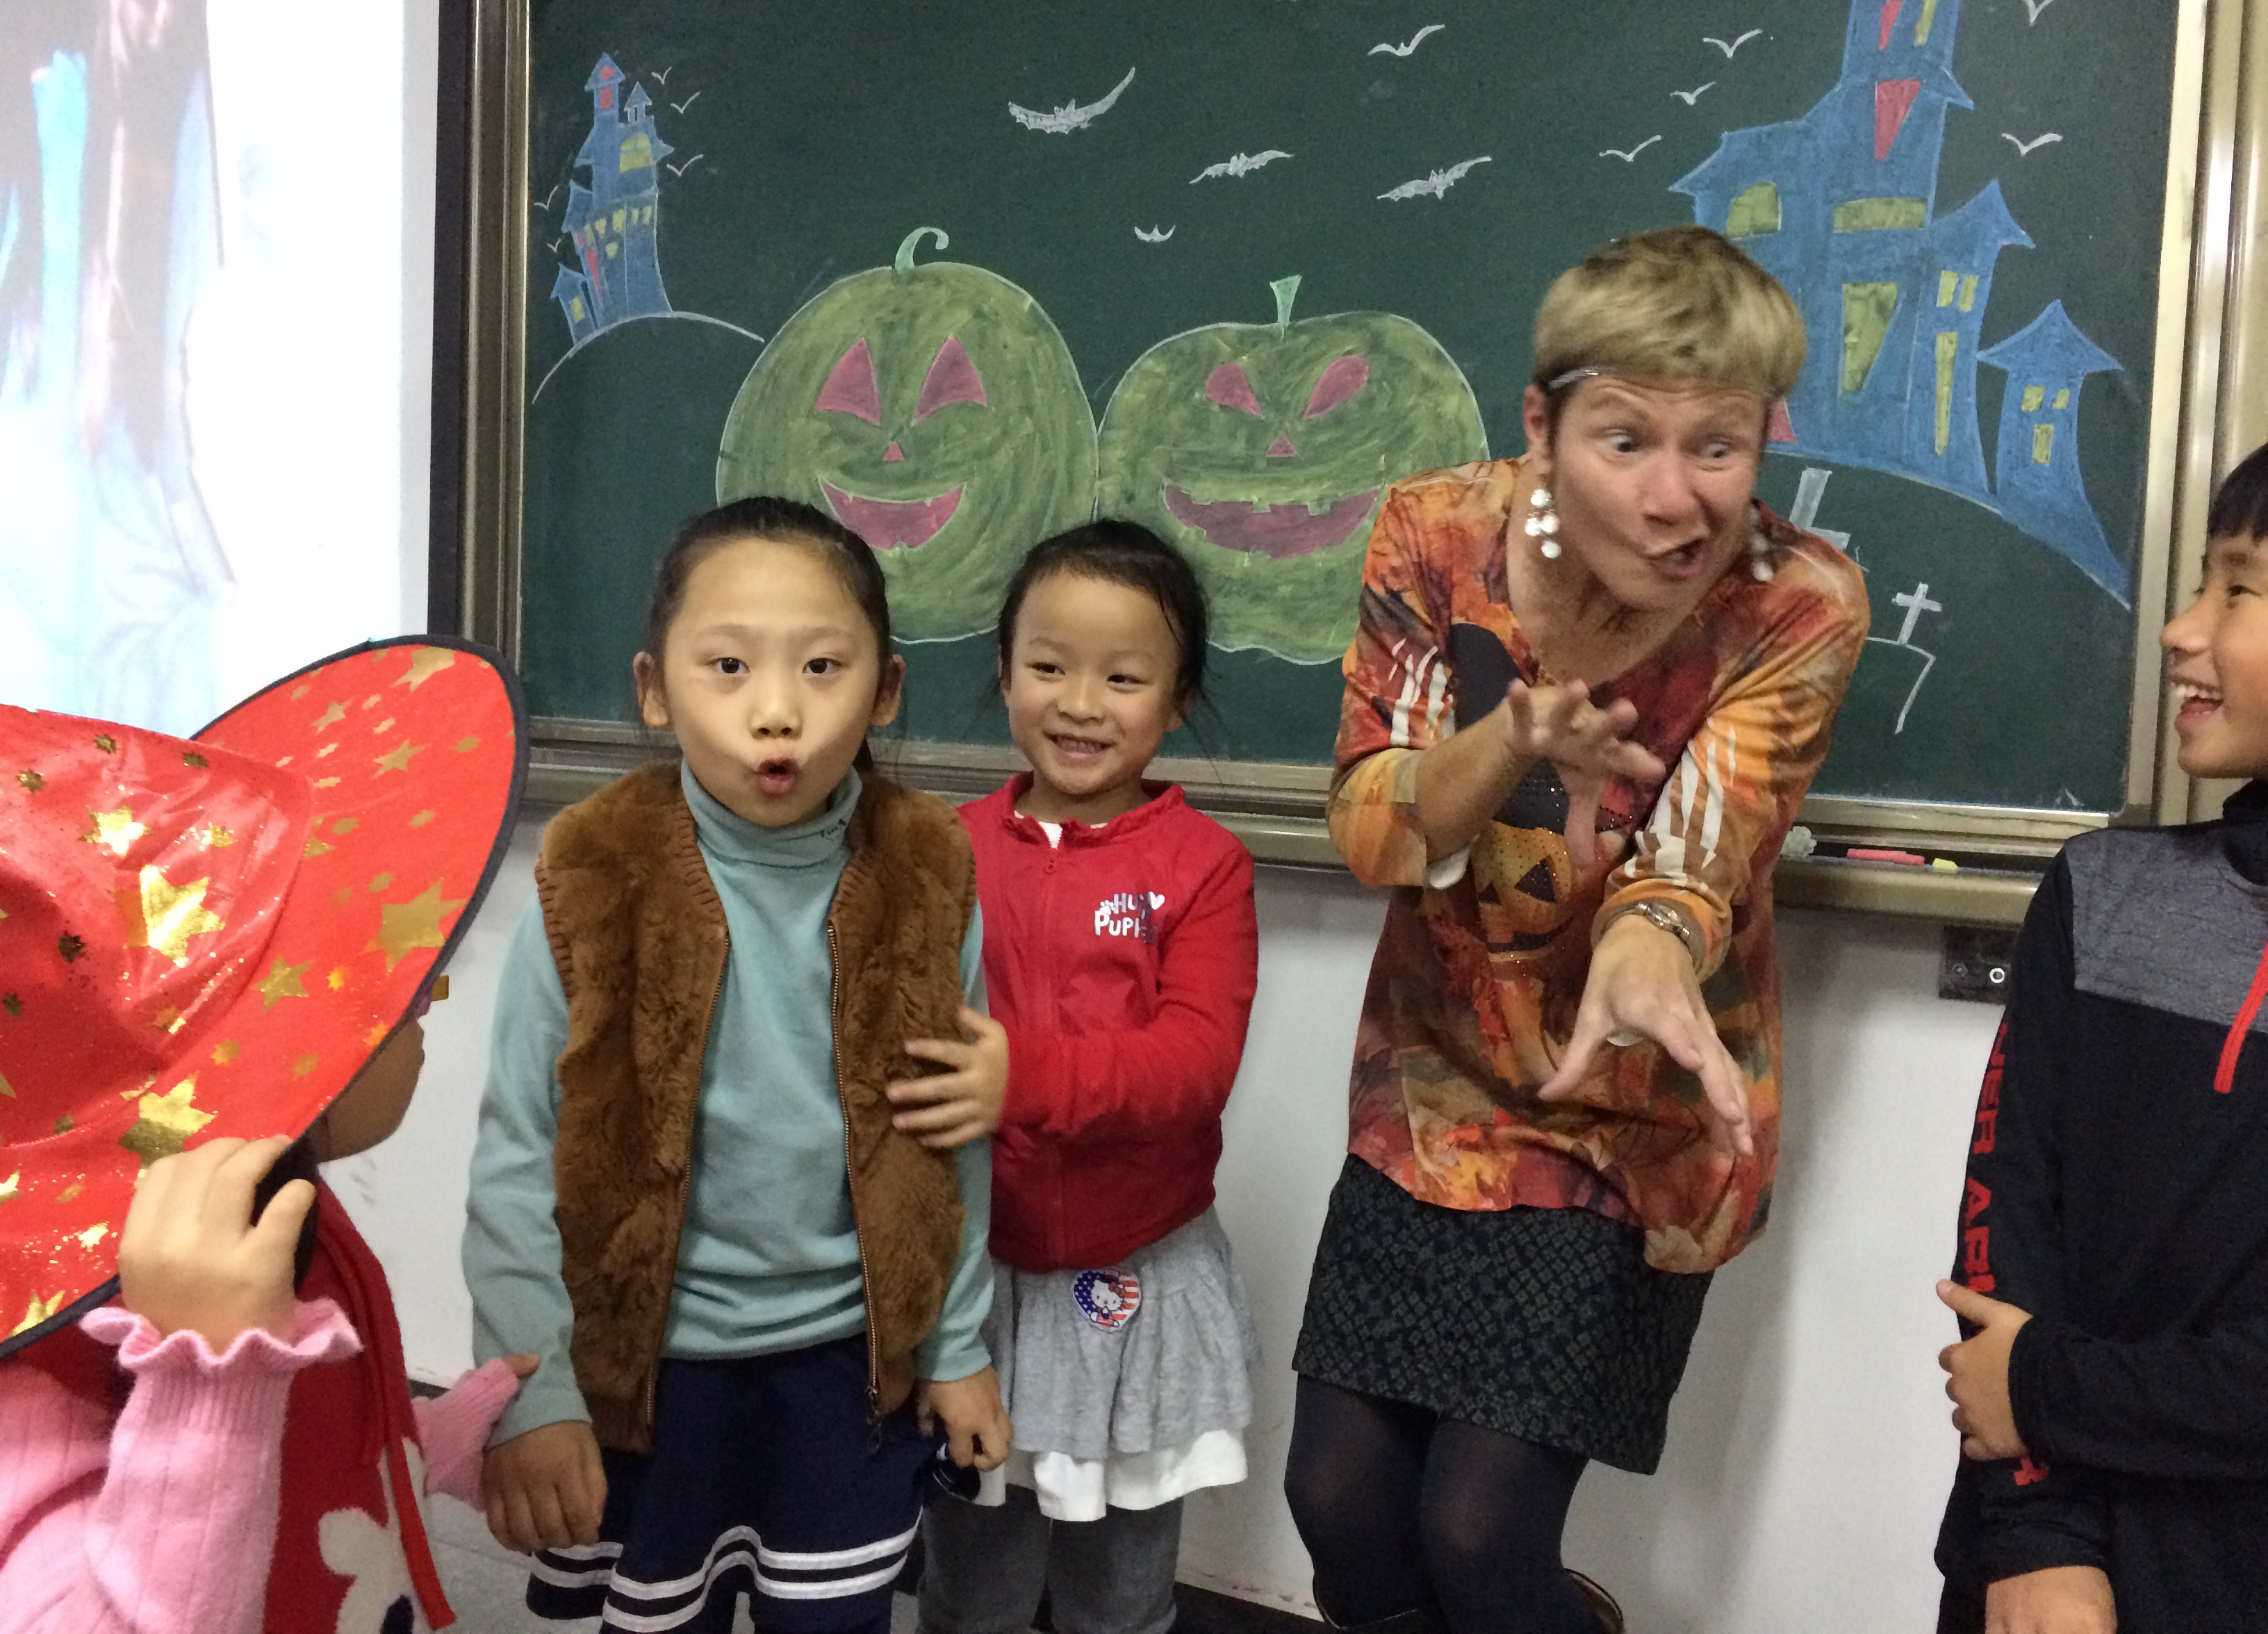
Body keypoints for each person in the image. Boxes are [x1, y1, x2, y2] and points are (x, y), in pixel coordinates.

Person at [1281, 227, 1869, 1634]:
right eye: (1626, 440)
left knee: (1480, 1535)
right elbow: (1374, 832)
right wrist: (1512, 740)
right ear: (1542, 425)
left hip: (1627, 1120)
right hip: (1435, 1086)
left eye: (1719, 447)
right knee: (1339, 1503)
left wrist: (1649, 947)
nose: (1677, 498)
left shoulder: (1796, 603)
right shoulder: (1438, 534)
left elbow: (1696, 859)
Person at [465, 495, 1014, 1634]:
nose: (776, 712)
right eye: (727, 666)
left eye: (822, 667)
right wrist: (533, 1389)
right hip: (651, 1372)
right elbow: (519, 1155)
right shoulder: (590, 872)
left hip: (849, 1372)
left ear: (886, 690)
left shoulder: (926, 869)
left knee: (834, 1614)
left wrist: (957, 1346)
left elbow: (950, 1133)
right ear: (654, 688)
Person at [0, 635, 535, 1634]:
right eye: (363, 977)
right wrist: (205, 1375)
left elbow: (299, 1457)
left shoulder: (267, 1214)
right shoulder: (48, 1371)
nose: (422, 1000)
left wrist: (437, 1433)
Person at [1932, 441, 2268, 1634]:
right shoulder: (2107, 894)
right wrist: (2036, 1536)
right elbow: (2007, 1215)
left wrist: (2041, 1385)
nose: (2181, 629)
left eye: (2238, 589)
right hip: (2045, 1570)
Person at [917, 522, 1262, 1634]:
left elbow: (1194, 1065)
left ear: (1177, 700)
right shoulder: (941, 850)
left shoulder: (1204, 867)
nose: (1080, 703)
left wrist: (1021, 1076)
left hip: (1137, 1279)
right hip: (977, 1283)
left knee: (1120, 1594)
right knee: (973, 1587)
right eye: (1049, 665)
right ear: (1004, 671)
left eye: (1123, 677)